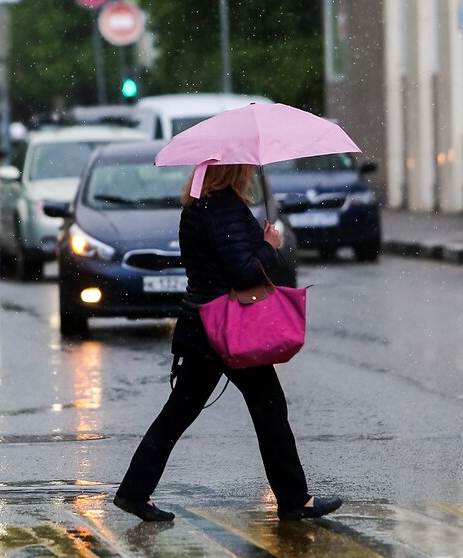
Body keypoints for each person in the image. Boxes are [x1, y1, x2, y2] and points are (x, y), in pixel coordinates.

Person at [114, 164, 341, 523]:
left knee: (180, 412)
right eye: (247, 168)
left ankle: (133, 491)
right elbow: (243, 272)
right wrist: (268, 245)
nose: (251, 173)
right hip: (229, 327)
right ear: (236, 171)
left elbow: (211, 267)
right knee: (269, 409)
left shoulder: (196, 205)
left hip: (203, 324)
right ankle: (295, 499)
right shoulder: (225, 209)